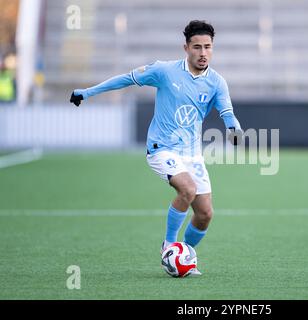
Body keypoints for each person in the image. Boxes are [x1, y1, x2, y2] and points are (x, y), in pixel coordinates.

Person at [70, 20, 242, 276]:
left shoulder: (217, 82)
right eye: (197, 47)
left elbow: (227, 112)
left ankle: (181, 256)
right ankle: (169, 245)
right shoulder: (164, 71)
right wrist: (87, 92)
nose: (203, 53)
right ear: (186, 48)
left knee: (205, 214)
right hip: (161, 148)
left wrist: (234, 129)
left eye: (208, 47)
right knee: (188, 189)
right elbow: (126, 79)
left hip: (192, 153)